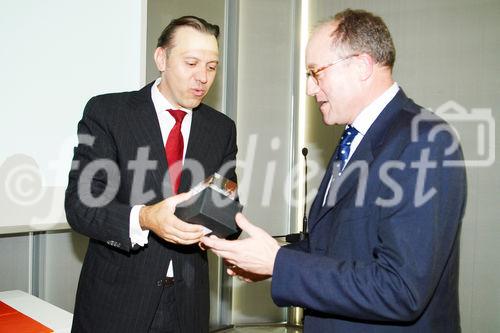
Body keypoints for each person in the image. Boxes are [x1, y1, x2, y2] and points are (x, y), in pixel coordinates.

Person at [202, 9, 466, 332]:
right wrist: (269, 260)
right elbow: (333, 244)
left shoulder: (426, 141)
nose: (311, 89)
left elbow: (402, 290)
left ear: (362, 66)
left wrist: (279, 263)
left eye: (316, 73)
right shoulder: (352, 139)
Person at [65, 16, 237, 333]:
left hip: (188, 306)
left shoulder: (221, 129)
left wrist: (219, 227)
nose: (203, 77)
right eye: (191, 63)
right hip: (115, 303)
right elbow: (80, 207)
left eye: (212, 67)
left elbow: (225, 206)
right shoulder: (108, 113)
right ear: (161, 58)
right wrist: (145, 218)